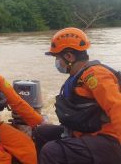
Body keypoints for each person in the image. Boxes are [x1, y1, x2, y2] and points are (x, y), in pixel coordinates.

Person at [34, 27, 121, 164]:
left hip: (109, 138)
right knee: (41, 133)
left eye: (57, 57)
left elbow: (117, 107)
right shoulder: (78, 75)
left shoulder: (95, 75)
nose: (56, 62)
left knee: (51, 151)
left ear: (69, 57)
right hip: (85, 132)